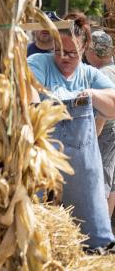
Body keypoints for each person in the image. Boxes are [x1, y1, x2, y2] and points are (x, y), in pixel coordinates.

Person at [28, 12, 115, 251]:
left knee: (86, 236)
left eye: (71, 53)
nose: (63, 58)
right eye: (58, 50)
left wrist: (91, 95)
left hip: (80, 171)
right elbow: (29, 92)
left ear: (84, 47)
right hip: (42, 161)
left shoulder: (89, 75)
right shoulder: (39, 62)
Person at [84, 30, 115, 217]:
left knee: (100, 182)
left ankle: (99, 233)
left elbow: (103, 114)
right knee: (111, 183)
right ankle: (106, 232)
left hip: (106, 134)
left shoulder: (101, 75)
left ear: (93, 52)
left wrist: (90, 140)